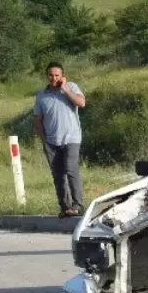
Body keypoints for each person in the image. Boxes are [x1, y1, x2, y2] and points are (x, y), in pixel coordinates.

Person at [33, 62, 87, 217]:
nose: (54, 78)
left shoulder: (71, 87)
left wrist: (65, 89)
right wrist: (43, 139)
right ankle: (65, 207)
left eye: (57, 75)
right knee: (58, 175)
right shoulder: (42, 94)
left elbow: (81, 103)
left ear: (63, 76)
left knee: (71, 169)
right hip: (51, 141)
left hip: (71, 137)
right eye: (51, 75)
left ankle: (77, 205)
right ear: (47, 76)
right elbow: (37, 119)